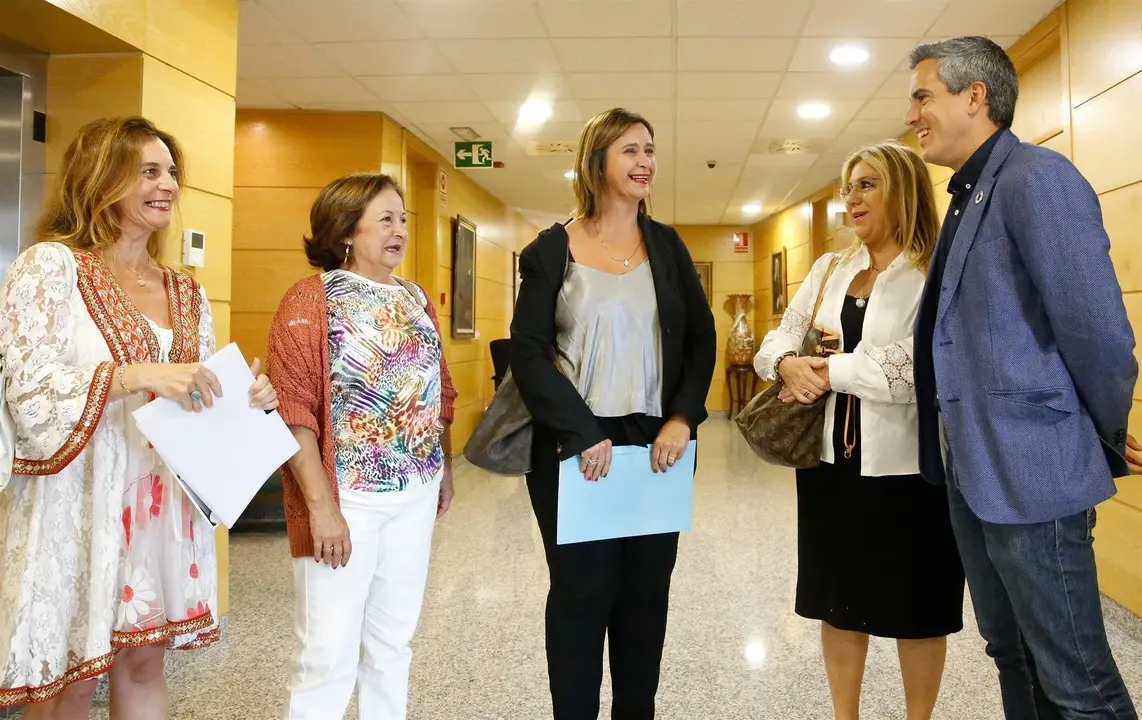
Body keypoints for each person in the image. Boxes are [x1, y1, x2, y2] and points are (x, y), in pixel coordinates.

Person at [0, 116, 279, 718]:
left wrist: (244, 399)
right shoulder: (50, 268)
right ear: (102, 179)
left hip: (157, 501)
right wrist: (136, 374)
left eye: (172, 172)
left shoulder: (187, 291)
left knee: (144, 660)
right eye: (149, 171)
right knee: (71, 675)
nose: (169, 185)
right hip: (77, 499)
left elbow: (197, 397)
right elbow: (27, 394)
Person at [907, 36, 1138, 719]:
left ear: (975, 96)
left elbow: (1097, 329)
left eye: (923, 95)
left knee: (1076, 679)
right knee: (1012, 656)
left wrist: (1098, 433)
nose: (912, 111)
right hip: (974, 472)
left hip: (1035, 471)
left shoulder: (1036, 177)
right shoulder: (971, 193)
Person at [510, 107, 716, 720]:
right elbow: (528, 352)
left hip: (659, 445)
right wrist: (579, 432)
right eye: (630, 150)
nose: (645, 161)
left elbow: (701, 340)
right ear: (596, 161)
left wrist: (683, 417)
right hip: (575, 446)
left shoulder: (669, 245)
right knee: (580, 595)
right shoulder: (550, 251)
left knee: (645, 598)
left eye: (650, 149)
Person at [755, 141, 964, 720]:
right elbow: (780, 337)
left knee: (917, 609)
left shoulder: (935, 272)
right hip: (831, 468)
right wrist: (784, 364)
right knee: (837, 604)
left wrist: (827, 369)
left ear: (903, 191)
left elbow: (913, 367)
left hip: (910, 471)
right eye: (849, 186)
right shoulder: (829, 269)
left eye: (867, 184)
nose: (852, 198)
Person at [267, 172, 458, 720]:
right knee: (326, 652)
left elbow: (437, 389)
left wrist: (443, 466)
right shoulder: (310, 300)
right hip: (346, 500)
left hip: (414, 495)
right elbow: (293, 411)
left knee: (392, 644)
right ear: (347, 230)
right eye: (386, 219)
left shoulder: (417, 296)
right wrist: (322, 510)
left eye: (403, 218)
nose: (399, 230)